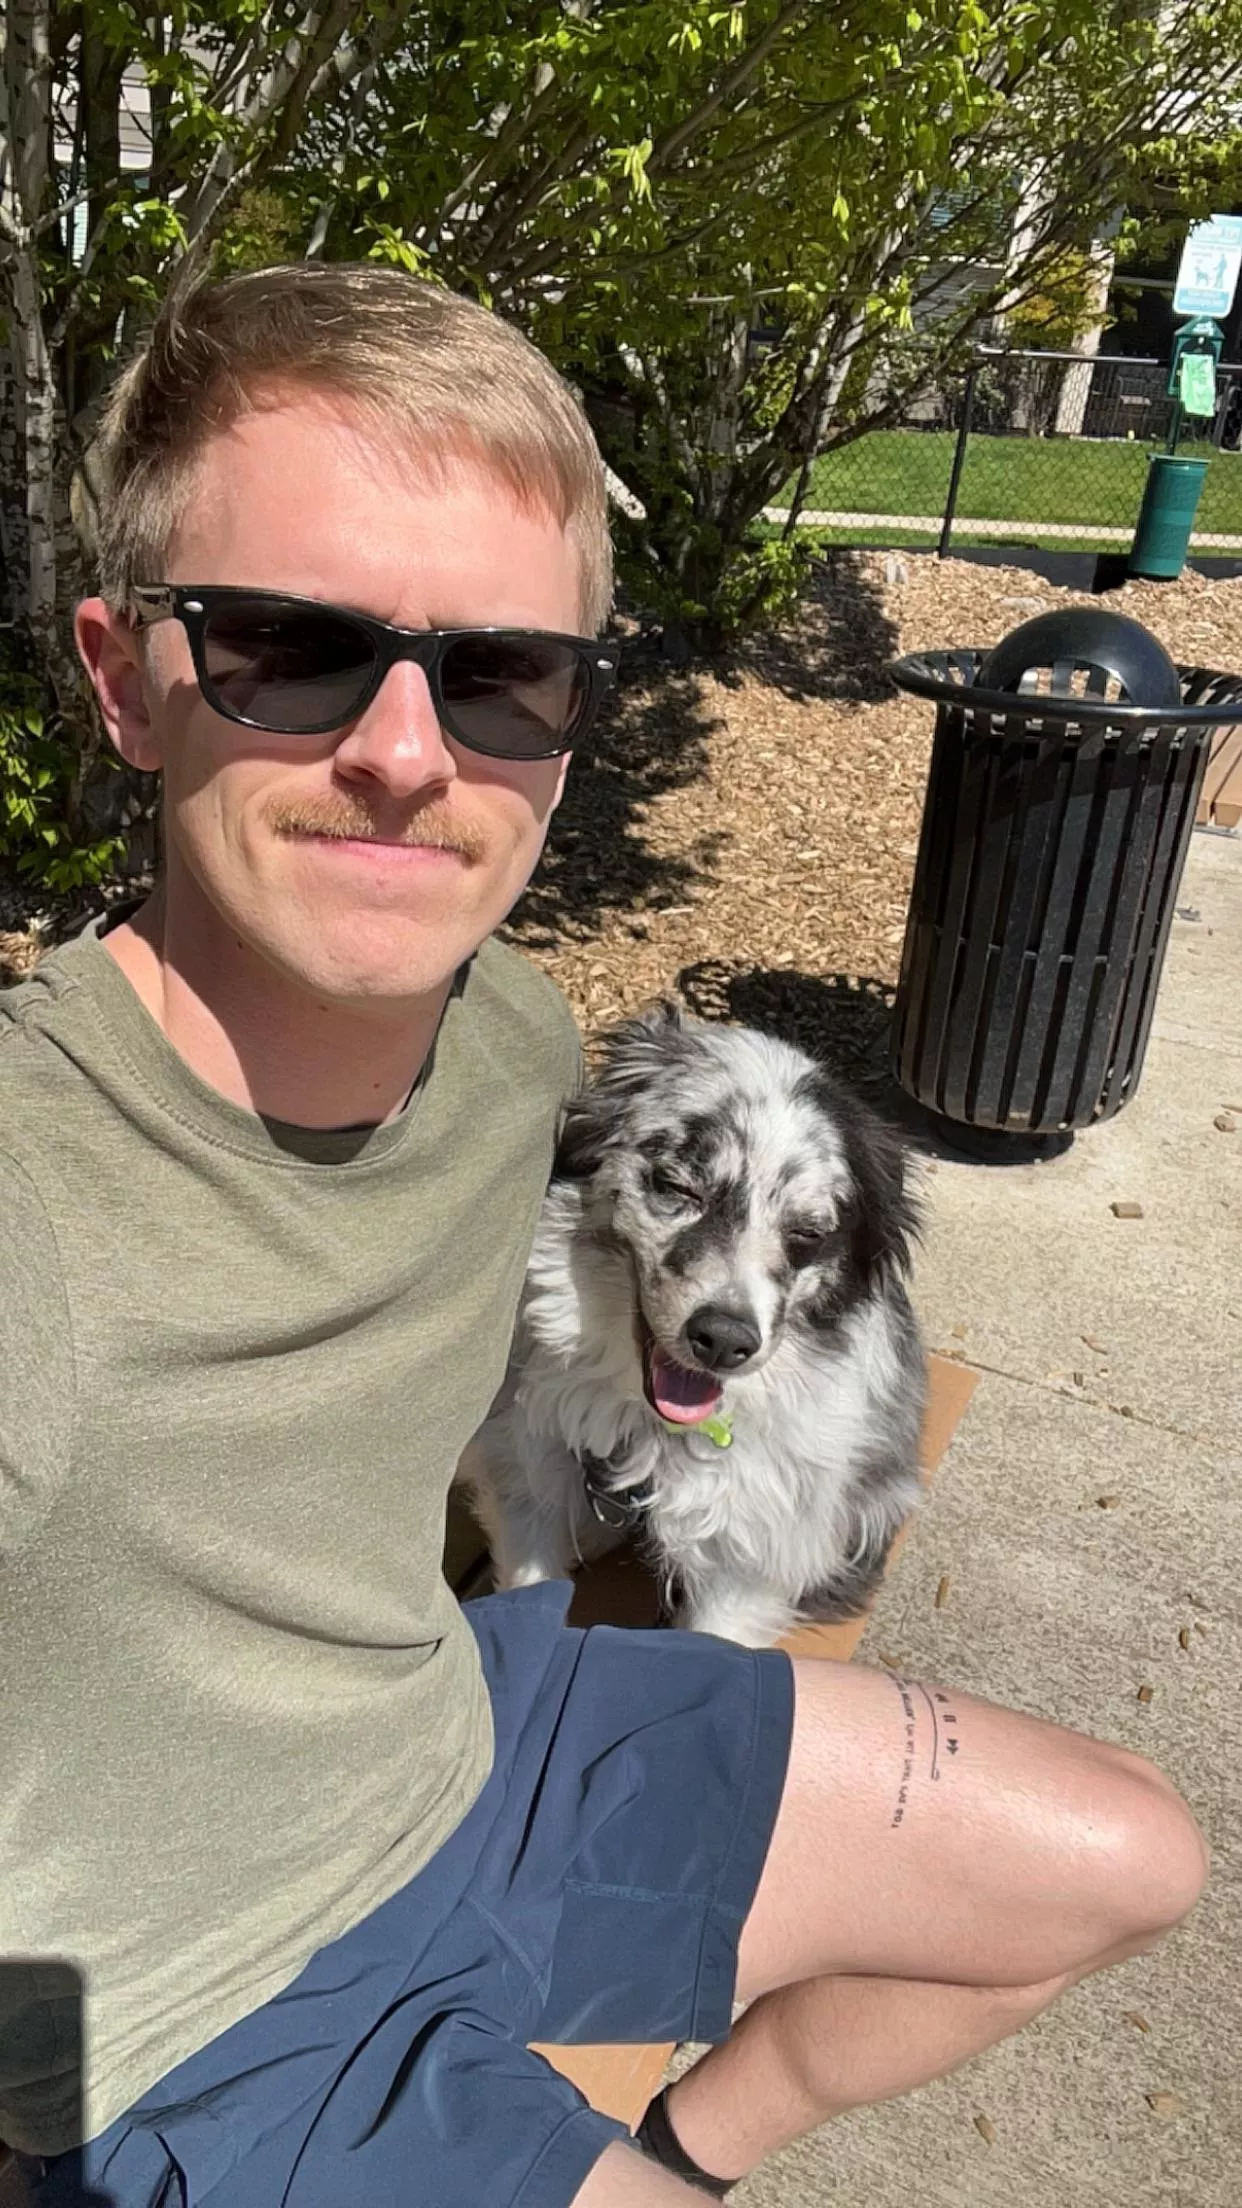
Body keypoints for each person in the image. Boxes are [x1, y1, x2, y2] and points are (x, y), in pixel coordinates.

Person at [0, 263, 1208, 2208]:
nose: (407, 747)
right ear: (126, 679)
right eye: (287, 646)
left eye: (498, 672)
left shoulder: (522, 1055)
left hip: (462, 1738)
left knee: (1132, 1854)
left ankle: (681, 2152)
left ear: (565, 727)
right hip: (201, 2012)